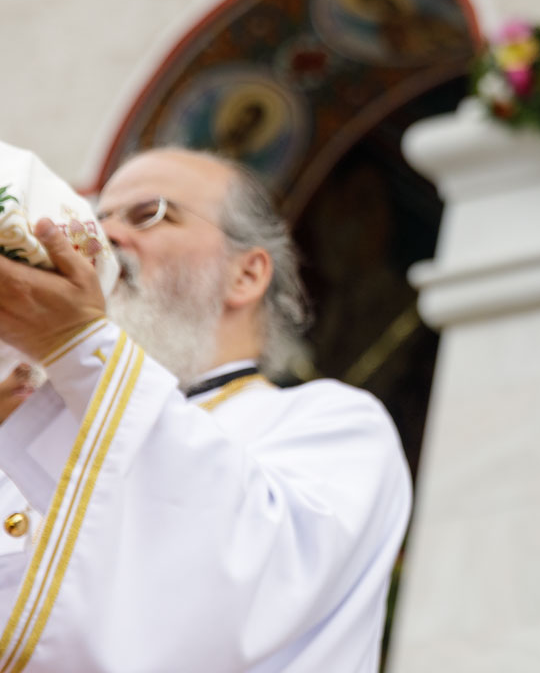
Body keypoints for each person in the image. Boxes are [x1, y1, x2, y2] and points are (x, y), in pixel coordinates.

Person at [0, 146, 411, 671]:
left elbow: (248, 579)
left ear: (246, 275)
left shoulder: (336, 424)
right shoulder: (45, 411)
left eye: (148, 214)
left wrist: (77, 345)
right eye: (97, 217)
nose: (105, 238)